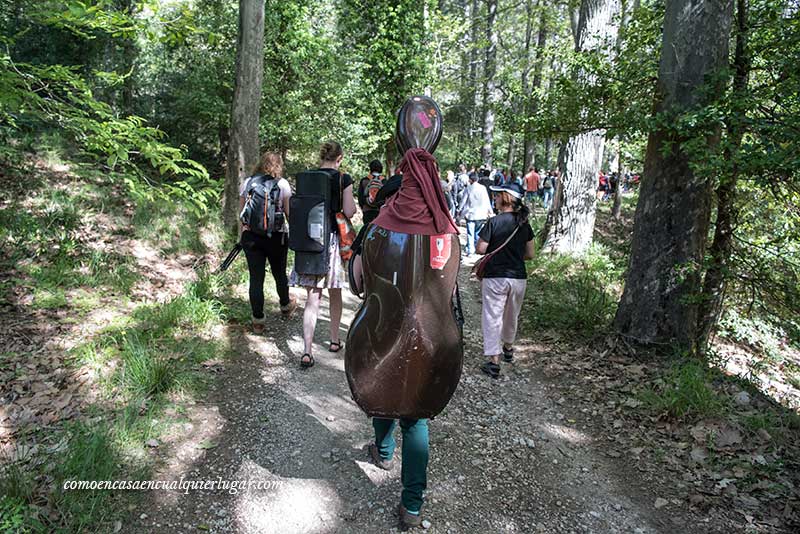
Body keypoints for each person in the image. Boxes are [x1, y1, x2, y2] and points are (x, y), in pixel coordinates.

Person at [289, 141, 356, 368]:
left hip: (310, 242)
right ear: (340, 158)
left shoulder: (308, 177)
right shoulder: (342, 179)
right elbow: (349, 211)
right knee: (335, 292)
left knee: (313, 297)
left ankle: (307, 351)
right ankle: (335, 340)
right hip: (334, 242)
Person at [476, 182, 535, 379]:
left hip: (495, 277)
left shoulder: (494, 222)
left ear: (506, 198)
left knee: (493, 316)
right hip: (518, 277)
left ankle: (494, 361)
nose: (495, 198)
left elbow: (481, 249)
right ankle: (508, 348)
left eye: (497, 195)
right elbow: (530, 254)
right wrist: (514, 255)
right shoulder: (524, 224)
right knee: (512, 315)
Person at [239, 151, 296, 333]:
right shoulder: (283, 184)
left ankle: (258, 321)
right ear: (278, 166)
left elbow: (242, 214)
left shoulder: (248, 182)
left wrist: (244, 232)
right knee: (279, 273)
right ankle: (286, 306)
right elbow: (289, 214)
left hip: (251, 237)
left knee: (256, 278)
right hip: (277, 237)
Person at [458, 172, 494, 257]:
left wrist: (459, 209)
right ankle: (476, 247)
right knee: (477, 232)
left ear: (470, 179)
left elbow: (463, 200)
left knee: (470, 233)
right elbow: (486, 200)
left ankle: (470, 250)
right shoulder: (483, 188)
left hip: (471, 213)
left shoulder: (469, 188)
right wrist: (490, 210)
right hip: (481, 214)